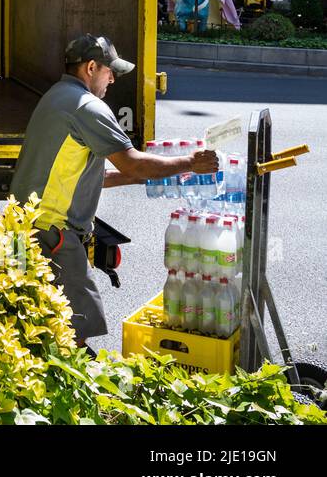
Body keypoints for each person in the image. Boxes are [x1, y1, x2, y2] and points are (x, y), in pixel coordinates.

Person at [11, 34, 219, 346]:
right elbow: (133, 163)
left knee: (43, 330)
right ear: (91, 67)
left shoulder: (57, 96)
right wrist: (189, 161)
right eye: (111, 71)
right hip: (54, 236)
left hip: (32, 228)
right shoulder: (88, 107)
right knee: (71, 336)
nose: (113, 78)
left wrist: (139, 177)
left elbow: (82, 174)